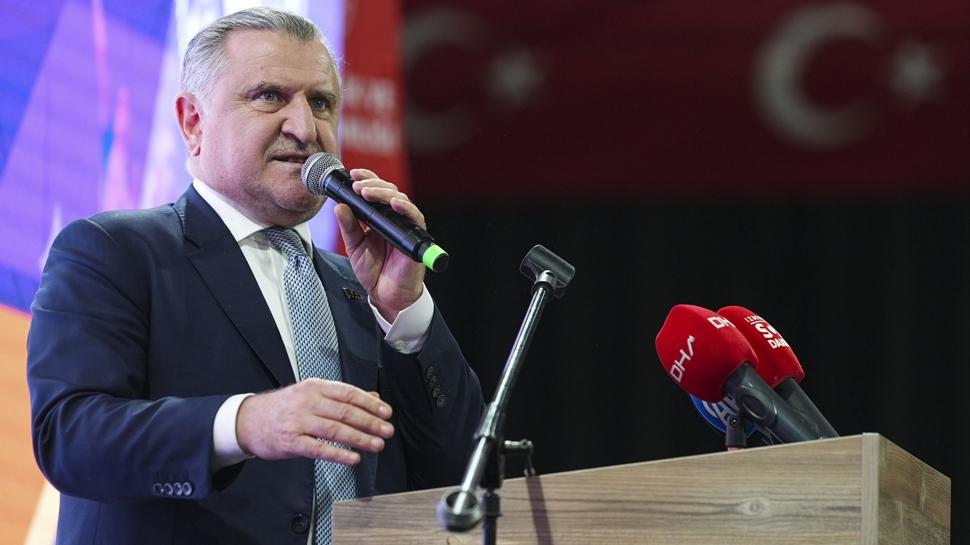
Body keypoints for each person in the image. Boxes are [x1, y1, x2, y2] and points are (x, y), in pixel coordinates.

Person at [27, 7, 484, 545]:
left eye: (321, 102)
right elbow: (70, 437)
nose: (305, 128)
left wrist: (402, 311)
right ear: (193, 122)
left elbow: (461, 472)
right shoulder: (115, 252)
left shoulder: (361, 288)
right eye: (270, 96)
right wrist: (244, 423)